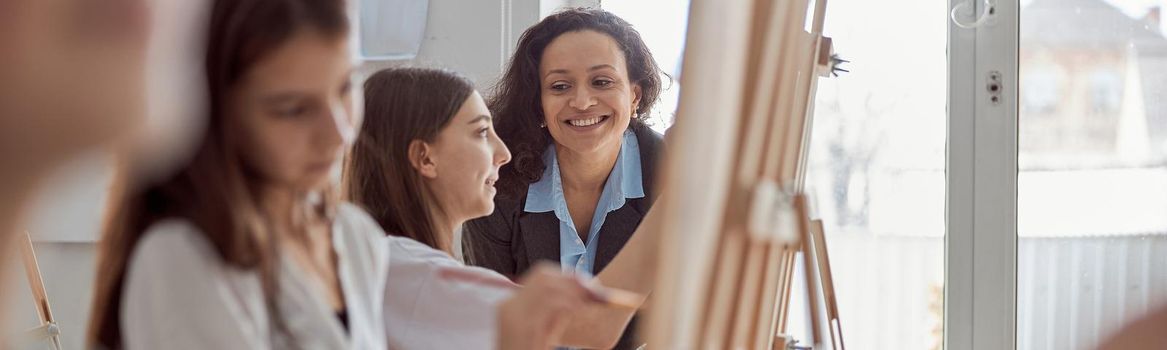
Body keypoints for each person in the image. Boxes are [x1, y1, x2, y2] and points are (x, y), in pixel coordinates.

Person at [86, 1, 387, 348]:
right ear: (215, 110)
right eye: (293, 109)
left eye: (347, 87)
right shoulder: (182, 260)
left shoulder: (356, 236)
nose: (339, 133)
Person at [346, 67, 658, 349]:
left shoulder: (390, 261)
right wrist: (678, 200)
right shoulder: (416, 275)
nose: (503, 153)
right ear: (425, 158)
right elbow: (590, 326)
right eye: (482, 132)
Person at [462, 8, 667, 348]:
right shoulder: (497, 181)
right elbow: (493, 322)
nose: (582, 101)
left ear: (634, 95)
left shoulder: (671, 177)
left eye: (602, 81)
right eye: (560, 86)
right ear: (538, 103)